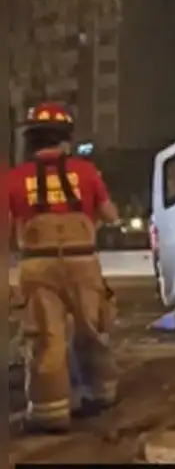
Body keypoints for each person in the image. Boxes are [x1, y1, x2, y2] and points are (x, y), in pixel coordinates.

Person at [7, 102, 120, 434]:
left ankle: (48, 411)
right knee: (91, 329)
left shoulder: (14, 179)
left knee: (46, 337)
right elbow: (111, 215)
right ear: (66, 138)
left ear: (31, 140)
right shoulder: (86, 172)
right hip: (82, 261)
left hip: (37, 265)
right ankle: (100, 394)